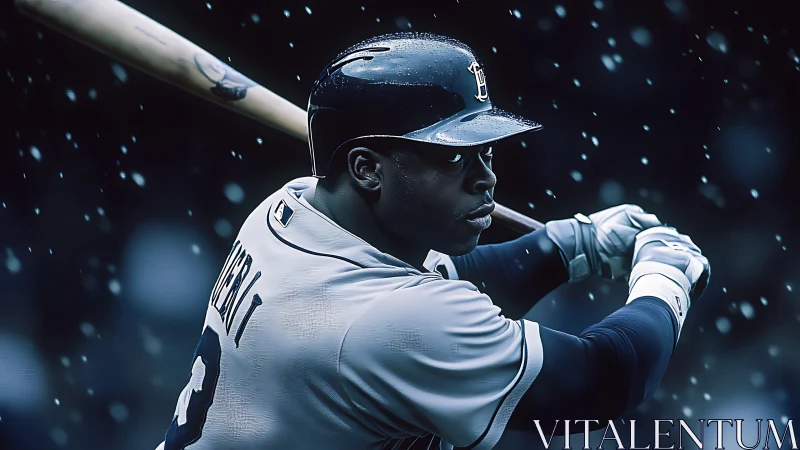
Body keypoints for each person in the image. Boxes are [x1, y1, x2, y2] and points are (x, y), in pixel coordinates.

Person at [154, 32, 710, 450]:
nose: (486, 178)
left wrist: (569, 244)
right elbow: (603, 380)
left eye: (486, 150)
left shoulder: (290, 210)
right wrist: (663, 282)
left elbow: (436, 292)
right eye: (452, 156)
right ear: (367, 170)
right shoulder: (388, 324)